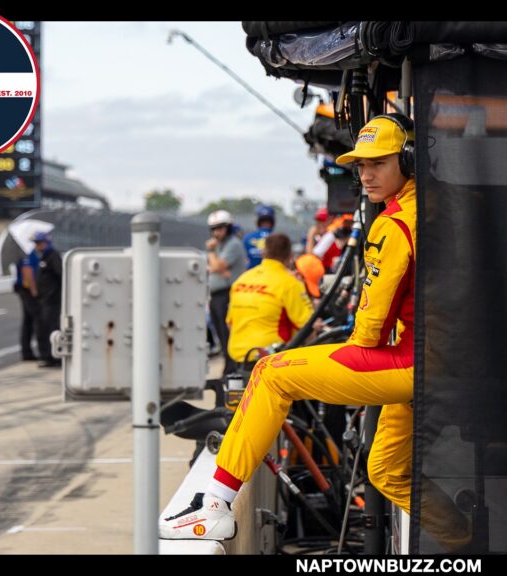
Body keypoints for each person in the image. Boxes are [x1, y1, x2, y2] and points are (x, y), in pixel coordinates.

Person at [160, 114, 471, 550]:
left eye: (377, 163)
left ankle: (212, 505)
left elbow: (369, 332)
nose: (364, 175)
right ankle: (467, 540)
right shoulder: (445, 208)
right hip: (451, 358)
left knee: (272, 372)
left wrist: (346, 361)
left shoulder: (395, 222)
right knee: (385, 471)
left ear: (409, 160)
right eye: (359, 166)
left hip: (418, 361)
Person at [225, 233, 315, 367]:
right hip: (272, 360)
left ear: (263, 253)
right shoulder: (291, 283)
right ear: (290, 255)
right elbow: (308, 327)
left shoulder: (242, 279)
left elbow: (230, 323)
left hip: (238, 357)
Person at [205, 210, 248, 375]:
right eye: (214, 229)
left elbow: (216, 267)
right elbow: (215, 268)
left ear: (228, 228)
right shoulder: (220, 246)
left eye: (221, 228)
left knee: (227, 332)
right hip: (217, 295)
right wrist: (218, 268)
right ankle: (229, 367)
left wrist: (211, 255)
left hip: (228, 294)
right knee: (221, 334)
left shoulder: (233, 244)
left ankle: (232, 368)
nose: (217, 232)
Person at [33, 231, 62, 368]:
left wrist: (54, 294)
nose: (37, 246)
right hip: (45, 299)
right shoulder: (44, 257)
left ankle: (53, 357)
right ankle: (48, 357)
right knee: (44, 328)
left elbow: (61, 275)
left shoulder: (53, 256)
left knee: (51, 328)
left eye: (39, 243)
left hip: (52, 300)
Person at [13, 251, 40, 361]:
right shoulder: (26, 254)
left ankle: (27, 351)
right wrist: (34, 291)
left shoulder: (31, 253)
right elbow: (27, 274)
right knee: (37, 318)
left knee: (28, 321)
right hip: (27, 290)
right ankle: (39, 350)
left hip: (26, 289)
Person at [243, 205, 276, 269]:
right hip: (273, 277)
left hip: (251, 277)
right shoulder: (279, 239)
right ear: (272, 221)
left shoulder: (247, 238)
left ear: (258, 221)